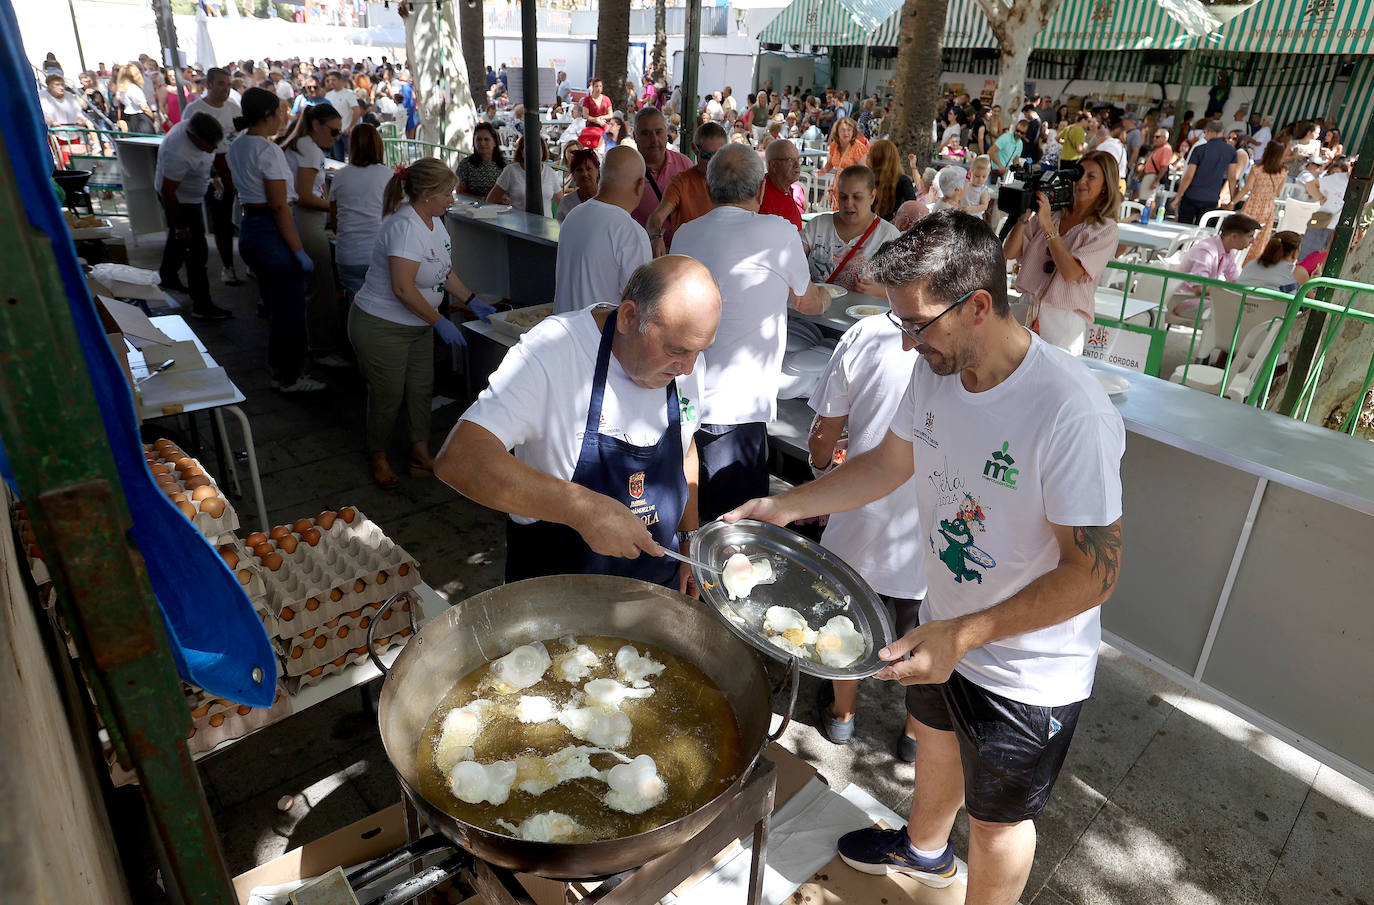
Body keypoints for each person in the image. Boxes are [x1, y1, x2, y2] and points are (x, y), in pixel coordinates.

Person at [726, 209, 1124, 904]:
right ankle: (925, 851)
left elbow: (1095, 573)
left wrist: (964, 634)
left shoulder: (1069, 412)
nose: (907, 345)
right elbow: (887, 463)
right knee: (935, 745)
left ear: (977, 305)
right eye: (898, 325)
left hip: (1028, 667)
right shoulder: (938, 372)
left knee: (999, 822)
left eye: (917, 325)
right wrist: (789, 504)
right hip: (946, 625)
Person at [437, 256, 721, 587]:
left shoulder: (686, 363)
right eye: (677, 350)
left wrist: (689, 536)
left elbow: (685, 448)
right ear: (629, 317)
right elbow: (460, 459)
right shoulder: (556, 351)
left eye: (699, 351)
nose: (689, 367)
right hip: (559, 597)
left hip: (656, 587)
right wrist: (582, 509)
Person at [671, 144, 829, 520]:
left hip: (685, 399)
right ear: (761, 189)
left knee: (691, 513)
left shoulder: (684, 234)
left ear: (709, 190)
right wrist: (824, 297)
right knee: (734, 529)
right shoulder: (779, 232)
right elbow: (807, 302)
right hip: (738, 407)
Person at [807, 309, 926, 760]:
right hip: (937, 534)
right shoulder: (969, 354)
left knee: (847, 619)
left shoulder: (867, 333)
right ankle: (914, 736)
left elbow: (824, 433)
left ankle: (842, 716)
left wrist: (821, 476)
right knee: (922, 631)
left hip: (861, 515)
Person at [349, 158, 482, 488]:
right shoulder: (406, 227)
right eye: (447, 194)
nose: (452, 199)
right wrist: (440, 322)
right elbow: (402, 288)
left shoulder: (435, 221)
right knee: (388, 394)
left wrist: (472, 299)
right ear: (425, 194)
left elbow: (442, 271)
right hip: (381, 326)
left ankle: (421, 455)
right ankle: (378, 454)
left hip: (418, 325)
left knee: (421, 390)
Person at [226, 88, 323, 393]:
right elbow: (280, 205)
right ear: (266, 115)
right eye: (280, 111)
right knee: (289, 311)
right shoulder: (268, 151)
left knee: (273, 304)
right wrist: (298, 250)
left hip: (251, 227)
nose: (285, 116)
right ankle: (289, 376)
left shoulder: (238, 145)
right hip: (270, 229)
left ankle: (278, 365)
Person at [1004, 150, 1122, 356]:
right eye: (1078, 174)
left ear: (1105, 186)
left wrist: (1049, 228)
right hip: (1027, 308)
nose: (1081, 181)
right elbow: (1010, 252)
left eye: (1091, 177)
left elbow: (1071, 273)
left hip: (1063, 322)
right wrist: (1023, 217)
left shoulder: (1104, 229)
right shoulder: (1053, 213)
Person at [282, 102, 347, 369]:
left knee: (316, 286)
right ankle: (322, 348)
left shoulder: (303, 146)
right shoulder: (308, 149)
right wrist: (336, 207)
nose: (336, 138)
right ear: (316, 125)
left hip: (302, 218)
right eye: (333, 132)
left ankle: (317, 343)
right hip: (307, 220)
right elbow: (305, 196)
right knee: (321, 287)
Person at [553, 146, 651, 315]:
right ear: (640, 184)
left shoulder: (573, 215)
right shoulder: (630, 231)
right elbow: (638, 308)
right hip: (600, 339)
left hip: (564, 332)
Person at [155, 113, 231, 320]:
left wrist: (213, 177)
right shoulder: (178, 153)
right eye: (210, 145)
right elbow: (168, 192)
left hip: (194, 192)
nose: (215, 149)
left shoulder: (199, 128)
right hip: (180, 200)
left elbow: (208, 158)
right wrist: (182, 226)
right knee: (197, 251)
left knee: (178, 241)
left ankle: (168, 276)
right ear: (195, 138)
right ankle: (202, 304)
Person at [183, 68, 244, 285]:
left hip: (236, 165)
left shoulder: (234, 107)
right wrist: (212, 173)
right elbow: (190, 143)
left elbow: (242, 137)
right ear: (208, 85)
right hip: (211, 167)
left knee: (244, 215)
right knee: (221, 218)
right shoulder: (194, 109)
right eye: (220, 84)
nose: (225, 88)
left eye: (228, 84)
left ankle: (251, 262)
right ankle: (228, 266)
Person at [802, 165, 901, 298]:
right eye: (843, 197)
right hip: (809, 313)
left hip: (861, 317)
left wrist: (881, 293)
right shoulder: (817, 225)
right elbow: (789, 264)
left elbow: (906, 291)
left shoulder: (889, 236)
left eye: (857, 197)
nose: (849, 203)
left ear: (872, 196)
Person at [330, 124, 393, 305]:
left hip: (348, 254)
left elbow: (335, 220)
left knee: (355, 305)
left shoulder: (340, 176)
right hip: (380, 254)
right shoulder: (388, 176)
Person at [646, 122, 728, 254]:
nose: (713, 162)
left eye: (718, 156)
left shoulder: (734, 180)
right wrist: (655, 237)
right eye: (707, 156)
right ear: (694, 149)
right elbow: (655, 218)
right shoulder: (681, 182)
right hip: (688, 260)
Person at [1171, 213, 1261, 321]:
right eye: (1250, 236)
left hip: (1205, 301)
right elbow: (1200, 289)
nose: (1253, 241)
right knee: (1236, 316)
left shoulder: (1228, 250)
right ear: (1234, 236)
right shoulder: (1206, 251)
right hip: (1185, 301)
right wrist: (1227, 288)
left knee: (1248, 312)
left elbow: (1235, 281)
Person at [1169, 119, 1239, 225]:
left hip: (1192, 195)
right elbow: (1232, 178)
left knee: (1183, 227)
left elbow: (1189, 176)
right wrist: (1233, 200)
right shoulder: (1231, 151)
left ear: (1208, 131)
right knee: (1203, 232)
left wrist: (1178, 197)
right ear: (1222, 132)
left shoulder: (1199, 149)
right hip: (1212, 198)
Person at [1230, 141, 1287, 263]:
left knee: (1243, 233)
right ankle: (1249, 265)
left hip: (1253, 205)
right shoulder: (1284, 171)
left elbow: (1247, 188)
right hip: (1268, 208)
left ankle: (1236, 262)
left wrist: (1232, 202)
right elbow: (1278, 193)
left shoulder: (1257, 168)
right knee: (1260, 240)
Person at [488, 135, 561, 215]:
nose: (533, 152)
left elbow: (561, 203)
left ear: (543, 151)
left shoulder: (550, 172)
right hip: (518, 226)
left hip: (546, 225)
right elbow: (491, 199)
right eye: (529, 149)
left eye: (537, 148)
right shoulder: (511, 171)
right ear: (522, 152)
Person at [1299, 156, 1349, 260]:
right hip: (1322, 224)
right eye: (1353, 164)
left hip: (1342, 231)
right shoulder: (1336, 178)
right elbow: (1311, 185)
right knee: (1306, 260)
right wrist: (1321, 198)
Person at [821, 117, 870, 209]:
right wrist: (819, 173)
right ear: (837, 132)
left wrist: (847, 172)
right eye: (843, 130)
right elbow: (830, 164)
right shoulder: (834, 146)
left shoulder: (858, 147)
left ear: (853, 131)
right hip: (838, 187)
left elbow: (865, 172)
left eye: (849, 130)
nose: (846, 133)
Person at [759, 137, 806, 230]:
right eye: (790, 160)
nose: (797, 165)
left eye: (798, 159)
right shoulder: (761, 195)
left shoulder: (787, 189)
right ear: (773, 165)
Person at [868, 139, 919, 222]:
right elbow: (913, 210)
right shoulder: (904, 181)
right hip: (894, 228)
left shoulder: (866, 179)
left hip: (868, 227)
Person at [1238, 231, 1302, 294]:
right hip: (1270, 304)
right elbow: (1311, 299)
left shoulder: (1252, 263)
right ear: (1295, 253)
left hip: (1239, 302)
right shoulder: (1296, 271)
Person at [456, 121, 506, 199]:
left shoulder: (505, 165)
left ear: (495, 142)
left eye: (486, 139)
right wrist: (483, 200)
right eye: (479, 139)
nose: (482, 143)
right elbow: (460, 192)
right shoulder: (466, 164)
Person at [322, 70, 361, 160]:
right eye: (329, 80)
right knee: (338, 157)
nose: (331, 82)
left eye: (334, 80)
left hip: (346, 131)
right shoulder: (328, 95)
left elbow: (356, 110)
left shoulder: (348, 94)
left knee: (351, 156)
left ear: (340, 80)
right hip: (333, 132)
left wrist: (350, 127)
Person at [555, 148, 600, 223]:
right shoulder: (566, 203)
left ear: (597, 171)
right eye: (579, 170)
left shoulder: (608, 200)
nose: (585, 174)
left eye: (589, 169)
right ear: (573, 176)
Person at [116, 64, 155, 134]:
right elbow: (144, 107)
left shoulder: (122, 89)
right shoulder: (133, 88)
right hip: (141, 119)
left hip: (131, 119)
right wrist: (152, 116)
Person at [1137, 127, 1174, 200]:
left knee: (1148, 200)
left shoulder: (1166, 149)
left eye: (1157, 137)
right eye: (1154, 136)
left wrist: (1156, 181)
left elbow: (1164, 167)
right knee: (1145, 199)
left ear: (1165, 138)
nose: (1154, 139)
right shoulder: (1158, 148)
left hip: (1153, 176)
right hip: (1148, 175)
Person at [580, 78, 613, 147]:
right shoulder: (587, 100)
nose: (598, 88)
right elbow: (585, 115)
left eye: (600, 86)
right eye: (596, 86)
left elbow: (610, 114)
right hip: (592, 125)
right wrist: (596, 120)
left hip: (604, 123)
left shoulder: (606, 99)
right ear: (593, 87)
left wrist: (602, 118)